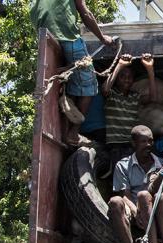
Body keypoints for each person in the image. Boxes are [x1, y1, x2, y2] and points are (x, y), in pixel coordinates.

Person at [30, 0, 113, 146]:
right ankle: (74, 133)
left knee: (71, 84)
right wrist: (102, 38)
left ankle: (65, 131)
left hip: (47, 36)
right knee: (90, 86)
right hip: (67, 36)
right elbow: (85, 13)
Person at [108, 125, 163, 243]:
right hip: (132, 207)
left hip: (154, 207)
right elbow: (125, 195)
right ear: (134, 143)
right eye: (143, 141)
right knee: (115, 201)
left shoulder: (162, 164)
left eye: (150, 141)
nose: (148, 145)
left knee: (147, 195)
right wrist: (136, 213)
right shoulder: (123, 165)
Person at [102, 53, 157, 174]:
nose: (126, 79)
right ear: (117, 79)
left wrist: (150, 69)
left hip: (131, 144)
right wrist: (119, 65)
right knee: (119, 174)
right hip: (115, 144)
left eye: (129, 76)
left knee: (132, 173)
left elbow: (153, 98)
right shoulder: (112, 95)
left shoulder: (135, 96)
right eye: (122, 76)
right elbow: (105, 89)